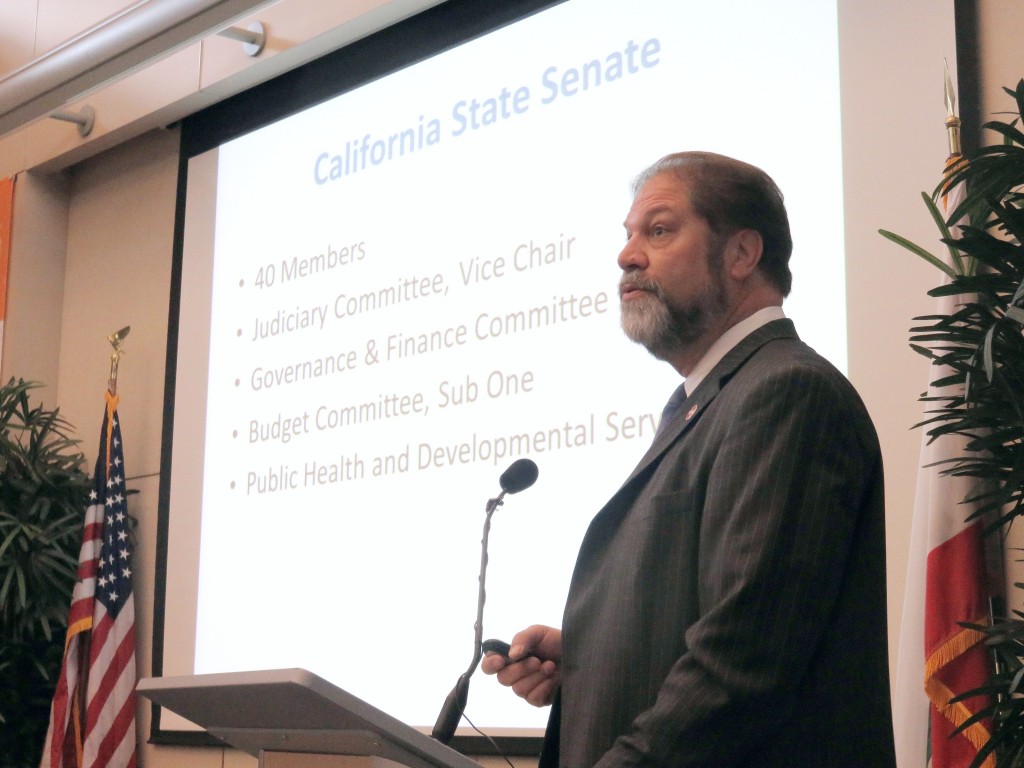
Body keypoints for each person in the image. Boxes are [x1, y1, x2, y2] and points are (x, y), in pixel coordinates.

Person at [481, 152, 896, 767]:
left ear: (741, 255)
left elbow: (743, 662)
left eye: (659, 230)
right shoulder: (705, 402)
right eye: (627, 235)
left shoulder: (784, 393)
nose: (627, 255)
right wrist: (591, 659)